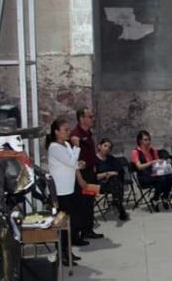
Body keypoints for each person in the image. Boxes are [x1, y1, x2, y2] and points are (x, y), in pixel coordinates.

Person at [46, 117, 86, 264]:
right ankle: (62, 253)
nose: (68, 133)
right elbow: (70, 161)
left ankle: (68, 250)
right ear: (56, 132)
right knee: (61, 223)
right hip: (60, 191)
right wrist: (77, 147)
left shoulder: (66, 146)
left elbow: (72, 163)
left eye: (69, 130)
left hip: (69, 188)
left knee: (70, 222)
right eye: (65, 130)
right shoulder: (54, 147)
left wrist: (79, 164)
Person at [69, 106, 103, 240]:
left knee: (89, 202)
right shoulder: (75, 135)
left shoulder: (89, 134)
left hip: (90, 172)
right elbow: (73, 159)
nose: (93, 119)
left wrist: (94, 166)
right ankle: (77, 234)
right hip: (81, 175)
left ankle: (88, 230)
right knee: (80, 204)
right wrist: (79, 177)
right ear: (81, 118)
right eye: (90, 117)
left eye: (92, 116)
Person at [130, 130, 172, 211]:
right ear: (140, 141)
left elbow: (157, 163)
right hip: (144, 176)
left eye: (149, 139)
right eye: (145, 140)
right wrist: (151, 163)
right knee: (162, 179)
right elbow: (139, 167)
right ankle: (155, 199)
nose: (148, 142)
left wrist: (165, 161)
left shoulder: (152, 150)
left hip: (154, 173)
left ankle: (164, 197)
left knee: (170, 178)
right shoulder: (135, 152)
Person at [95, 138, 129, 221]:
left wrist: (112, 174)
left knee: (115, 180)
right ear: (99, 146)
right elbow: (93, 176)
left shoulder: (111, 158)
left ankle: (117, 201)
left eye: (109, 147)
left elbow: (119, 171)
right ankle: (119, 206)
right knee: (116, 182)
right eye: (105, 146)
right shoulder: (93, 159)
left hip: (113, 184)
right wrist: (106, 174)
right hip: (99, 185)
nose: (107, 148)